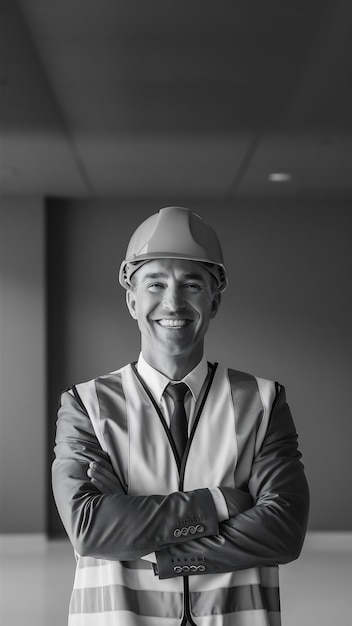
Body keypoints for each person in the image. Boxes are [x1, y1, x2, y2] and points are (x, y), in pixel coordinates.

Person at [52, 206, 309, 626]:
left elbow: (282, 531)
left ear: (214, 300)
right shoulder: (86, 404)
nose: (173, 302)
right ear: (132, 299)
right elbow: (90, 528)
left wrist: (157, 546)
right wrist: (219, 502)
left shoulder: (263, 401)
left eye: (192, 284)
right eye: (155, 283)